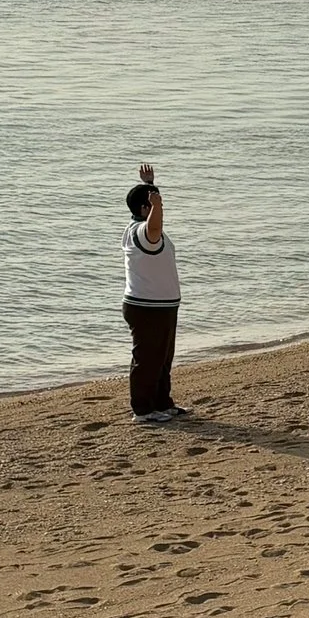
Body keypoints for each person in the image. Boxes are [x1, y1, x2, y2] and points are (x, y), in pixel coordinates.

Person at [121, 161, 184, 424]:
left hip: (161, 305)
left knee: (162, 358)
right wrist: (155, 204)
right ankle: (143, 410)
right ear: (144, 209)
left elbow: (153, 218)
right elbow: (155, 226)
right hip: (147, 306)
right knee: (148, 359)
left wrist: (149, 186)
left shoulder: (139, 227)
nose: (161, 208)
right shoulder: (142, 232)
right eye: (156, 205)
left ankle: (161, 403)